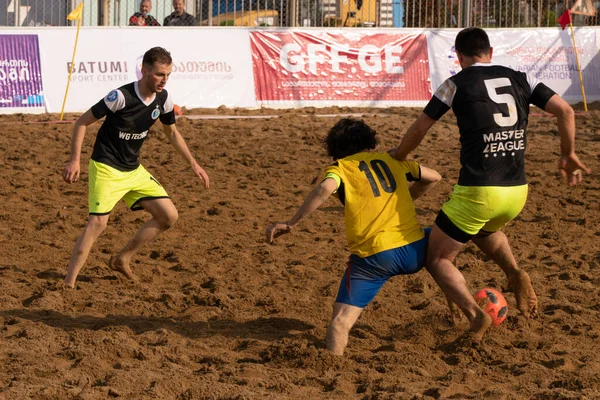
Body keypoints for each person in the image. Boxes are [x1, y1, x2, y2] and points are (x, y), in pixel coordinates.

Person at [392, 27, 591, 341]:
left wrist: (399, 154)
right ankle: (514, 273)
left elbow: (421, 127)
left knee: (438, 258)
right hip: (517, 192)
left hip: (479, 190)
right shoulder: (522, 77)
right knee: (484, 230)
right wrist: (568, 154)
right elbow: (566, 111)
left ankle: (475, 316)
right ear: (490, 53)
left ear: (459, 57)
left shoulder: (455, 83)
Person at [266, 118, 441, 356]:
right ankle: (467, 310)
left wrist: (291, 223)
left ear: (334, 148)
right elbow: (434, 177)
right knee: (445, 247)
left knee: (340, 321)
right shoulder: (392, 160)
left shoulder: (340, 169)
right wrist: (406, 199)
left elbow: (324, 189)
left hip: (375, 258)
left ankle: (332, 364)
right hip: (415, 248)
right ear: (370, 141)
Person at [62, 47, 209, 288]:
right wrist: (74, 160)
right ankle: (69, 283)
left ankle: (122, 258)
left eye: (168, 75)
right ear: (144, 71)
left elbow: (171, 132)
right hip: (107, 167)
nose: (164, 80)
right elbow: (81, 123)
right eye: (160, 74)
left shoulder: (164, 99)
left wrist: (194, 163)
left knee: (168, 215)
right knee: (98, 223)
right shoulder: (120, 97)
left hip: (133, 170)